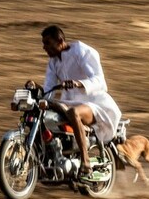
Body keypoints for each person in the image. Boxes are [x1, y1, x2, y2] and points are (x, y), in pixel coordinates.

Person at [28, 25, 122, 180]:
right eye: (43, 43)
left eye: (47, 43)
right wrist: (36, 87)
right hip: (70, 102)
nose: (44, 47)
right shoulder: (53, 62)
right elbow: (49, 90)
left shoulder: (81, 51)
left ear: (60, 41)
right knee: (44, 113)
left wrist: (78, 83)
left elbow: (100, 81)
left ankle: (86, 162)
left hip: (95, 103)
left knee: (73, 113)